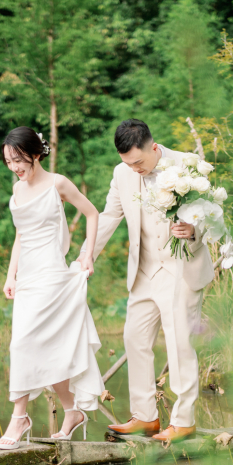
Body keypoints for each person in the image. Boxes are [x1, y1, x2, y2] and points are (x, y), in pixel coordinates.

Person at [86, 119, 214, 443]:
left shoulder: (187, 167)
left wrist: (195, 231)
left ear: (153, 147)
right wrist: (85, 256)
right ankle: (145, 417)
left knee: (180, 343)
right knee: (134, 337)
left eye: (138, 162)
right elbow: (110, 216)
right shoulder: (121, 173)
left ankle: (184, 421)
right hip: (144, 270)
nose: (134, 168)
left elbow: (213, 217)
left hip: (181, 269)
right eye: (127, 163)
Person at [0, 127, 105, 450]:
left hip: (52, 274)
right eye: (8, 161)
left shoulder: (57, 183)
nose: (15, 167)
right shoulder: (17, 190)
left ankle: (19, 417)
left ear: (36, 153)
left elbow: (92, 213)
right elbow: (21, 235)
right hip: (27, 277)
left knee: (22, 344)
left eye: (18, 159)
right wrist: (10, 274)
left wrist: (87, 254)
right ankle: (72, 412)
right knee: (47, 349)